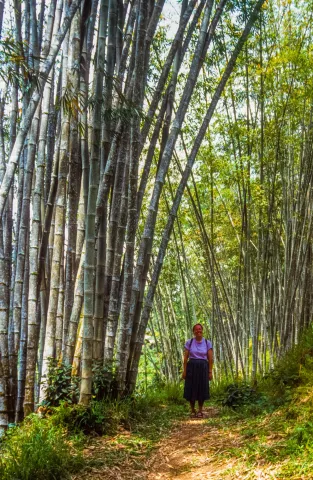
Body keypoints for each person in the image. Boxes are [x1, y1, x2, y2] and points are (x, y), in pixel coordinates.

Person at [182, 323, 213, 418]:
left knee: (202, 388)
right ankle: (192, 409)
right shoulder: (189, 342)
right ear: (193, 332)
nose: (198, 331)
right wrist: (184, 370)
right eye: (196, 329)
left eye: (200, 329)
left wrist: (210, 371)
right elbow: (185, 358)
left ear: (202, 330)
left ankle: (200, 410)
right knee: (191, 387)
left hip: (203, 367)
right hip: (192, 366)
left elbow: (210, 358)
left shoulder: (207, 342)